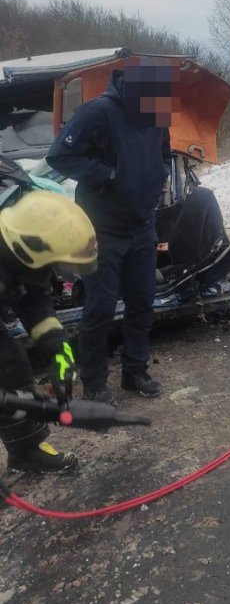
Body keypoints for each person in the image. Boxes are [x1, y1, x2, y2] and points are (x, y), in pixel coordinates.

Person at [47, 59, 172, 404]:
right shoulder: (98, 112)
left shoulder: (157, 109)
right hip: (103, 229)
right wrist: (109, 174)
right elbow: (60, 156)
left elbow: (164, 153)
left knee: (142, 303)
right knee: (100, 308)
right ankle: (94, 384)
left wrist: (157, 175)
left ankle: (135, 372)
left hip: (142, 226)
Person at [0, 191, 97, 472]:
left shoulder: (24, 261)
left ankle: (26, 453)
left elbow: (37, 308)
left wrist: (60, 352)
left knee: (12, 368)